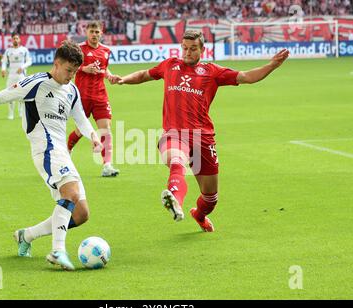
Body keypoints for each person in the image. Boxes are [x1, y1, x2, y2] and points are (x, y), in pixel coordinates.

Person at [117, 30, 289, 232]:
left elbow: (246, 77)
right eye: (185, 48)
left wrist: (271, 66)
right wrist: (123, 79)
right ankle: (174, 199)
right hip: (174, 134)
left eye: (193, 49)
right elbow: (144, 75)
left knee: (210, 198)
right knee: (176, 160)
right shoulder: (170, 65)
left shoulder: (212, 72)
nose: (187, 53)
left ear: (202, 49)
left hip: (203, 138)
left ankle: (199, 215)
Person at [0, 40, 103, 271]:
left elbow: (81, 117)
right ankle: (58, 250)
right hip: (45, 149)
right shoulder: (36, 83)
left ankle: (27, 235)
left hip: (61, 151)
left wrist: (93, 135)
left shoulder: (71, 90)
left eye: (75, 71)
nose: (72, 76)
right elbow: (2, 96)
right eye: (69, 70)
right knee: (71, 193)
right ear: (57, 63)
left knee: (82, 213)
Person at [66, 21, 121, 177]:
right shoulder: (79, 49)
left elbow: (104, 68)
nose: (94, 34)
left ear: (101, 33)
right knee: (80, 131)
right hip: (82, 96)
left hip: (100, 96)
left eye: (97, 32)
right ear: (87, 32)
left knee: (106, 130)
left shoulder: (106, 50)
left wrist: (109, 76)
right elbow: (70, 67)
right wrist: (83, 68)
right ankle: (67, 150)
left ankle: (107, 165)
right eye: (92, 31)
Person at [1, 32, 33, 120]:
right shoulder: (8, 51)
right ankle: (11, 113)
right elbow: (4, 62)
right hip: (11, 76)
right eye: (14, 38)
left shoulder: (24, 50)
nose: (15, 40)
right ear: (12, 40)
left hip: (21, 76)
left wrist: (22, 67)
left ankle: (20, 112)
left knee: (22, 94)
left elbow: (29, 61)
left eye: (17, 38)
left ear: (20, 39)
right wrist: (3, 69)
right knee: (9, 94)